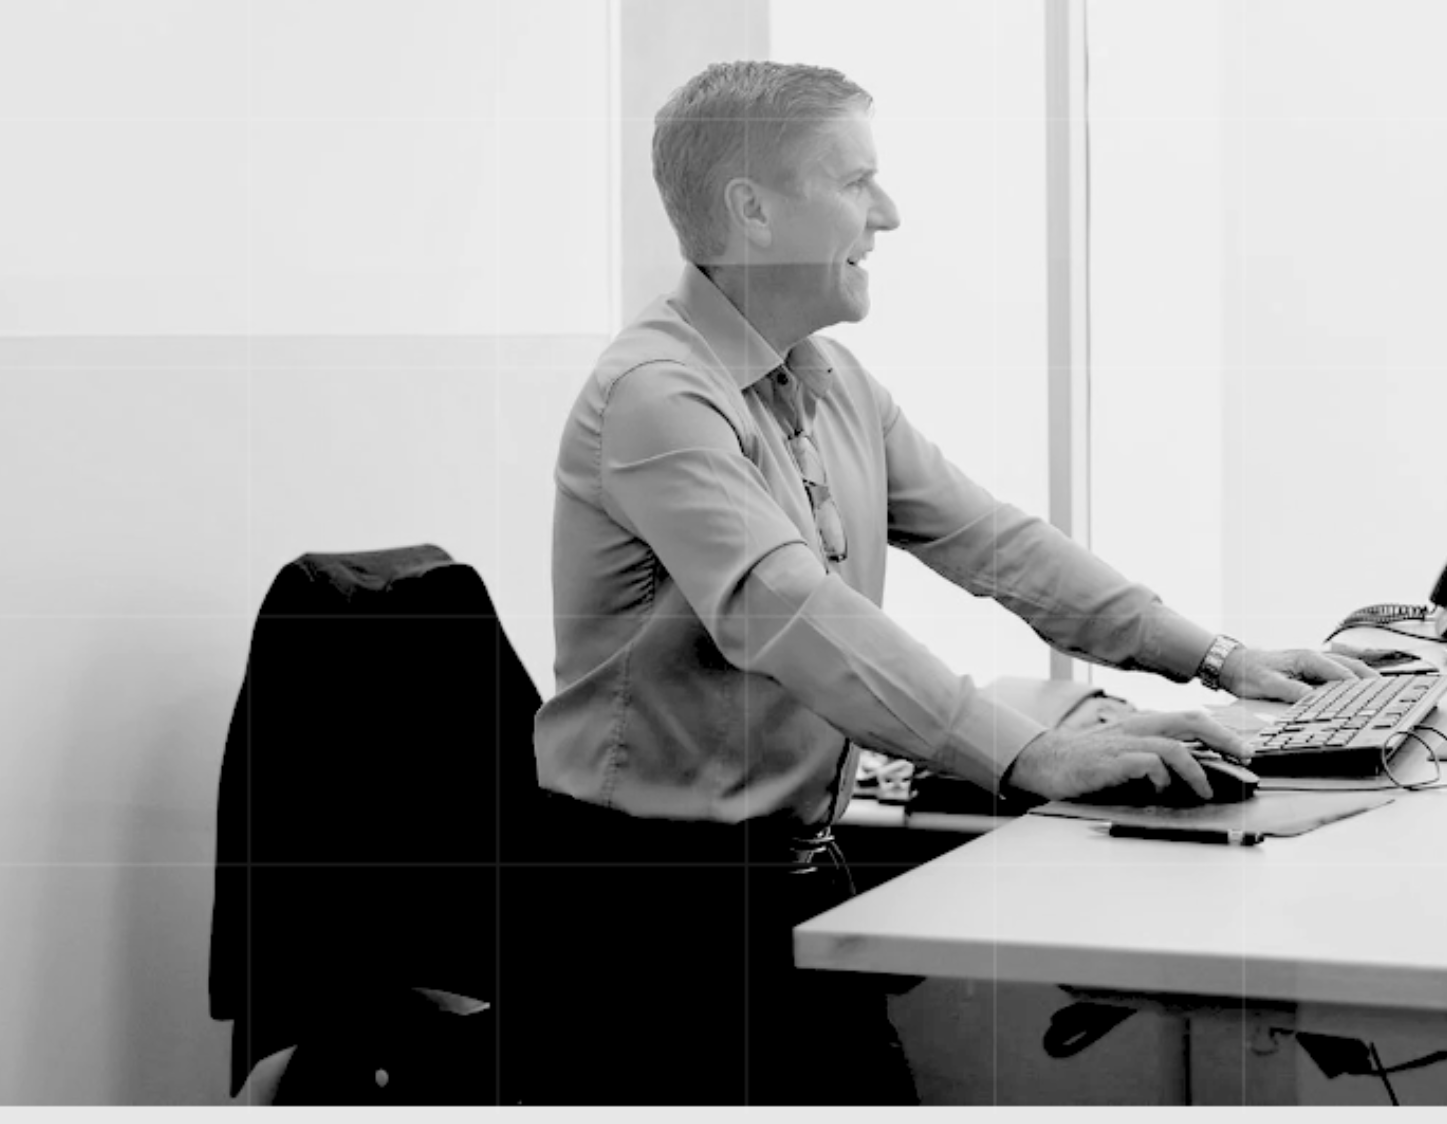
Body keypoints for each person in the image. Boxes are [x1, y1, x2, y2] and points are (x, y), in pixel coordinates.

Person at [529, 59, 1373, 1105]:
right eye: (854, 182)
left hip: (785, 865)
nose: (887, 214)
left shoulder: (829, 379)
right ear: (751, 210)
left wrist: (1219, 659)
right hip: (648, 904)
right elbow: (792, 614)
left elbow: (993, 543)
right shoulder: (658, 396)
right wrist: (1035, 756)